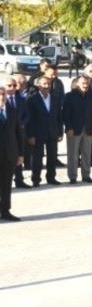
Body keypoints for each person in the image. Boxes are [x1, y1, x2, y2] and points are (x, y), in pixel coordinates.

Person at [27, 75, 63, 186]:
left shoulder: (55, 98)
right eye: (44, 84)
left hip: (52, 132)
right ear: (38, 85)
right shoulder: (32, 99)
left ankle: (51, 178)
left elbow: (59, 117)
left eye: (48, 84)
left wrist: (60, 132)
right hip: (38, 133)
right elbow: (30, 119)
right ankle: (36, 179)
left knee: (52, 156)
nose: (47, 86)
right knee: (37, 157)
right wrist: (31, 135)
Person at [63, 75, 92, 184]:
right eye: (83, 83)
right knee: (73, 154)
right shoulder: (69, 96)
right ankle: (73, 176)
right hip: (74, 130)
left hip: (88, 129)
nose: (86, 85)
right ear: (77, 84)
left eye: (87, 83)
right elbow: (65, 114)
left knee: (87, 153)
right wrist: (69, 128)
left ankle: (86, 175)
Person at [0, 82, 26, 221]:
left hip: (10, 154)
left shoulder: (12, 111)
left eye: (3, 94)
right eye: (0, 95)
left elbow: (19, 133)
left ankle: (5, 211)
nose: (2, 97)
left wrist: (21, 154)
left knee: (6, 184)